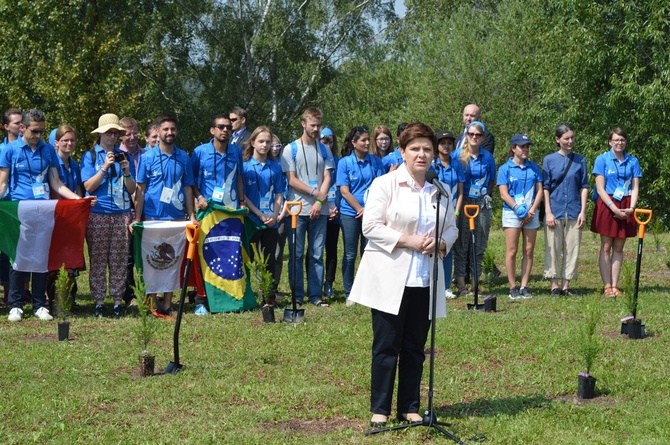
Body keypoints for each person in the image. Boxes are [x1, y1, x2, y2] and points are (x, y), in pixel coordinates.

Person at [348, 122, 458, 427]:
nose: (421, 155)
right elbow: (370, 226)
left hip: (425, 279)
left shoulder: (441, 189)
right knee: (386, 346)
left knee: (414, 347)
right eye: (415, 149)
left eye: (427, 149)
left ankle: (410, 405)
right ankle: (380, 408)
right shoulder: (385, 184)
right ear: (402, 151)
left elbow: (452, 227)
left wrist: (442, 241)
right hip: (390, 278)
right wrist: (408, 241)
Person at [0, 109, 86, 322]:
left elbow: (56, 182)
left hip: (44, 209)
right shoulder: (9, 150)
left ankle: (39, 305)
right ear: (23, 128)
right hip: (18, 209)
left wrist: (77, 200)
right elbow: (2, 182)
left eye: (42, 131)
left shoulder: (48, 150)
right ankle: (16, 305)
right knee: (18, 257)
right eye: (35, 131)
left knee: (40, 258)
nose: (39, 136)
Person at [134, 115, 197, 315]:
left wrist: (191, 216)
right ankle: (153, 304)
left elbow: (188, 189)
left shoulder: (184, 157)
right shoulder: (147, 158)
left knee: (172, 261)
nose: (170, 133)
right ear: (158, 132)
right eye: (166, 129)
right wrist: (137, 218)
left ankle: (168, 304)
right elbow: (140, 189)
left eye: (172, 129)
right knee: (153, 261)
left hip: (177, 219)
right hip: (153, 218)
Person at [81, 113, 136, 317]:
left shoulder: (125, 156)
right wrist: (104, 167)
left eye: (116, 133)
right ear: (101, 134)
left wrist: (126, 171)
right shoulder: (91, 156)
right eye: (109, 133)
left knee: (119, 259)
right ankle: (98, 301)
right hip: (98, 213)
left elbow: (132, 190)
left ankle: (117, 301)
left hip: (122, 213)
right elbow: (88, 186)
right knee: (98, 259)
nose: (113, 137)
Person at [280, 107, 334, 306]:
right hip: (297, 209)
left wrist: (320, 201)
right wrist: (315, 193)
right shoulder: (290, 149)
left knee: (317, 254)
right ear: (303, 124)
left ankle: (315, 295)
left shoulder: (324, 149)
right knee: (296, 254)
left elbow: (328, 176)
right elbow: (292, 180)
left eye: (319, 125)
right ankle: (297, 295)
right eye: (313, 125)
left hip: (319, 209)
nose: (316, 129)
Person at [591, 128, 641, 297]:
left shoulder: (632, 161)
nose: (619, 143)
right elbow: (600, 188)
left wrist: (631, 208)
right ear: (610, 142)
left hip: (626, 203)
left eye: (622, 140)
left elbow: (635, 187)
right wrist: (614, 208)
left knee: (619, 247)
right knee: (606, 246)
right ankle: (606, 286)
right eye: (616, 140)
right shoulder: (602, 159)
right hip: (607, 203)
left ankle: (615, 285)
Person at [337, 126, 384, 301]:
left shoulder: (375, 161)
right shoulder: (345, 163)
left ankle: (367, 291)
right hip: (350, 213)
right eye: (363, 140)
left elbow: (380, 186)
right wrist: (360, 209)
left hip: (371, 213)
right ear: (353, 143)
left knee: (369, 252)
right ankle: (349, 292)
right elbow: (344, 191)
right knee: (350, 254)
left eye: (367, 140)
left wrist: (369, 210)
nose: (366, 143)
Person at [542, 125, 589, 296]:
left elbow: (584, 186)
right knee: (552, 247)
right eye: (566, 138)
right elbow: (545, 187)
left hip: (574, 210)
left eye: (572, 138)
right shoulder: (548, 160)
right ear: (557, 140)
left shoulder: (580, 160)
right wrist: (548, 211)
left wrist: (583, 211)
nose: (570, 141)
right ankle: (554, 285)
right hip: (555, 208)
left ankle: (566, 285)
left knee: (573, 248)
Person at [453, 121, 496, 296]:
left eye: (478, 135)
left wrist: (485, 195)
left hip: (482, 202)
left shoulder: (487, 157)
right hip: (464, 201)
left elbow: (492, 179)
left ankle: (475, 283)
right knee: (462, 244)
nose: (474, 137)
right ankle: (461, 285)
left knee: (479, 243)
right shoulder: (458, 156)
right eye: (471, 134)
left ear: (482, 137)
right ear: (466, 135)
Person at [242, 126, 285, 304]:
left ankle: (268, 294)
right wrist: (259, 214)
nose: (265, 145)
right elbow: (242, 194)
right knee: (249, 259)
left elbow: (279, 194)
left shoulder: (275, 167)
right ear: (252, 142)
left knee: (269, 259)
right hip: (252, 220)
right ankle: (247, 293)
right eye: (261, 141)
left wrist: (275, 216)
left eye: (268, 142)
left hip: (271, 221)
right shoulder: (244, 167)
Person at [497, 134, 543, 300]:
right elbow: (503, 193)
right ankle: (512, 286)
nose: (525, 150)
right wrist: (518, 209)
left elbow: (540, 190)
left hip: (531, 213)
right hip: (511, 213)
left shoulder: (534, 168)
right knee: (512, 250)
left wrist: (531, 211)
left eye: (527, 147)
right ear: (513, 148)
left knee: (529, 250)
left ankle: (524, 285)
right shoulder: (504, 169)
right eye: (522, 146)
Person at [46, 125, 84, 308]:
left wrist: (80, 205)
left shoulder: (74, 164)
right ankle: (53, 299)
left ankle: (69, 298)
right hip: (57, 216)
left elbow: (77, 188)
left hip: (73, 218)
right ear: (56, 143)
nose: (69, 143)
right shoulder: (52, 165)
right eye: (65, 140)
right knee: (55, 260)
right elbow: (55, 189)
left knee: (71, 259)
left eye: (72, 140)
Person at [432, 130, 464, 298]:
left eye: (449, 143)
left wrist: (457, 211)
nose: (446, 146)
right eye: (443, 143)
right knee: (433, 247)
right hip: (435, 212)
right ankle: (432, 284)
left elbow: (460, 192)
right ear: (437, 146)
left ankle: (445, 287)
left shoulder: (457, 164)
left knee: (447, 248)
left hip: (452, 213)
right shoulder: (432, 165)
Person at [192, 114, 245, 210]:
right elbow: (191, 179)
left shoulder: (236, 151)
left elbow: (239, 178)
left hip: (231, 208)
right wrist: (199, 197)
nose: (225, 130)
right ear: (212, 130)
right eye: (221, 127)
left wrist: (242, 201)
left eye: (229, 128)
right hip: (208, 208)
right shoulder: (200, 151)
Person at [1, 108, 22, 301]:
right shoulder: (1, 150)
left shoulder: (28, 148)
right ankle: (7, 290)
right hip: (4, 206)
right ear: (6, 126)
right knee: (5, 249)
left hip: (22, 206)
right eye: (16, 123)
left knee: (22, 248)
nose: (21, 125)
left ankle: (23, 290)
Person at [320, 127, 341, 298]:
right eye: (324, 141)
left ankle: (329, 283)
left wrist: (335, 208)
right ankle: (315, 282)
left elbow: (340, 187)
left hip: (334, 211)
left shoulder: (338, 161)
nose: (328, 144)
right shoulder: (315, 160)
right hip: (318, 209)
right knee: (314, 249)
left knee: (331, 249)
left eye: (330, 141)